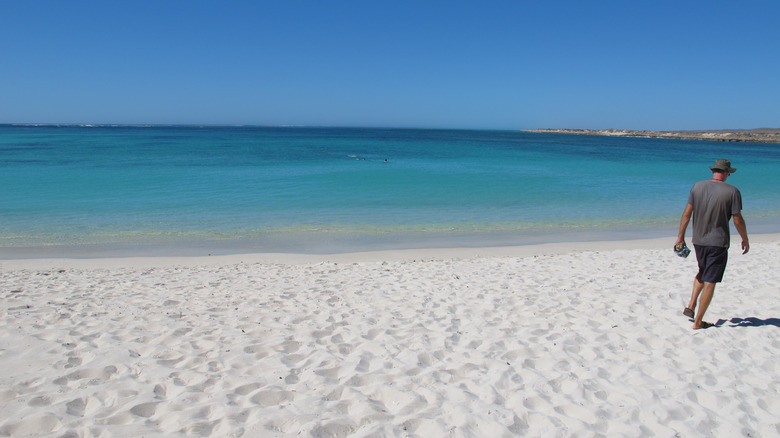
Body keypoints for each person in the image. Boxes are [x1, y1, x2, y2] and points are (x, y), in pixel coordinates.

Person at [676, 158, 749, 329]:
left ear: (714, 171)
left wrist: (680, 237)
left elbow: (687, 214)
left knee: (703, 271)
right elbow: (737, 219)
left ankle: (691, 305)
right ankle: (698, 322)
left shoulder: (697, 187)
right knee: (710, 280)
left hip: (698, 240)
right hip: (718, 242)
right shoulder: (732, 191)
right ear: (727, 173)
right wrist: (745, 238)